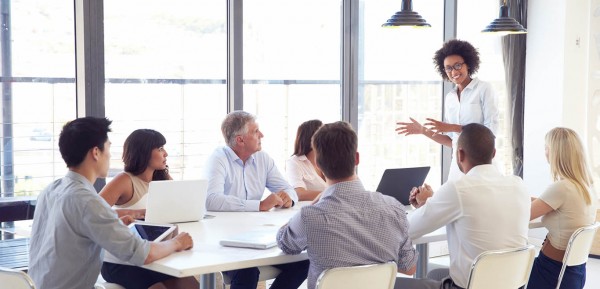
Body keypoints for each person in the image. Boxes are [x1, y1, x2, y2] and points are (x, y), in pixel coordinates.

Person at [28, 117, 193, 289]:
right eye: (108, 147)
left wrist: (112, 223)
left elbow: (73, 229)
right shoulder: (87, 201)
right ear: (96, 152)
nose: (110, 155)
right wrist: (178, 242)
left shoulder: (51, 190)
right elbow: (142, 254)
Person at [277, 121, 418, 289]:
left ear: (318, 164)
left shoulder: (310, 216)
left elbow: (285, 243)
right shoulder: (394, 208)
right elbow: (409, 268)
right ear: (357, 158)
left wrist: (314, 204)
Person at [394, 123, 529, 289]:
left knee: (392, 284)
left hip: (471, 286)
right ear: (493, 154)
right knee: (433, 274)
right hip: (513, 284)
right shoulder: (519, 185)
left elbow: (407, 229)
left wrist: (427, 204)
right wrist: (430, 203)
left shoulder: (458, 189)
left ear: (460, 154)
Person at [204, 110, 308, 289]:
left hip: (258, 237)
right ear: (240, 140)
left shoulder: (263, 159)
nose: (261, 135)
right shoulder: (218, 158)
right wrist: (259, 205)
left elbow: (290, 190)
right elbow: (211, 200)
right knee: (247, 271)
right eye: (255, 131)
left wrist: (288, 199)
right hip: (227, 241)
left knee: (304, 261)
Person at [99, 129, 199, 289]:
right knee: (159, 287)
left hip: (156, 254)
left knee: (189, 284)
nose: (165, 153)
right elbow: (94, 213)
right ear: (144, 152)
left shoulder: (163, 179)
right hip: (122, 261)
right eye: (160, 149)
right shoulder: (124, 180)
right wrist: (135, 213)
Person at [396, 39, 499, 182]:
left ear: (468, 64)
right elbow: (452, 141)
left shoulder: (484, 89)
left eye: (458, 65)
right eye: (448, 68)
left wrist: (451, 127)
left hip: (482, 165)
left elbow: (490, 132)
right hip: (458, 165)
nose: (454, 71)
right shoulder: (450, 98)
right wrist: (422, 130)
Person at [527, 127, 598, 289]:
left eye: (547, 147)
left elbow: (523, 215)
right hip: (575, 274)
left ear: (556, 152)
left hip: (550, 273)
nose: (545, 152)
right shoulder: (586, 187)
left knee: (511, 276)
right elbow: (552, 205)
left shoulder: (561, 188)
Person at [285, 119, 327, 201]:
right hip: (309, 211)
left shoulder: (328, 160)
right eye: (324, 134)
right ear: (312, 138)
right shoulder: (294, 162)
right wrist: (331, 195)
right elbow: (299, 194)